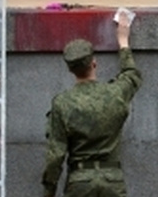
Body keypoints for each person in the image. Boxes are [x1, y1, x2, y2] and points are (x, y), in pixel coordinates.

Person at [42, 13, 142, 197]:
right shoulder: (115, 94)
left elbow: (56, 155)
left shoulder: (62, 103)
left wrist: (48, 192)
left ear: (70, 69)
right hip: (112, 180)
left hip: (80, 182)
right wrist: (123, 40)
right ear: (94, 63)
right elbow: (131, 75)